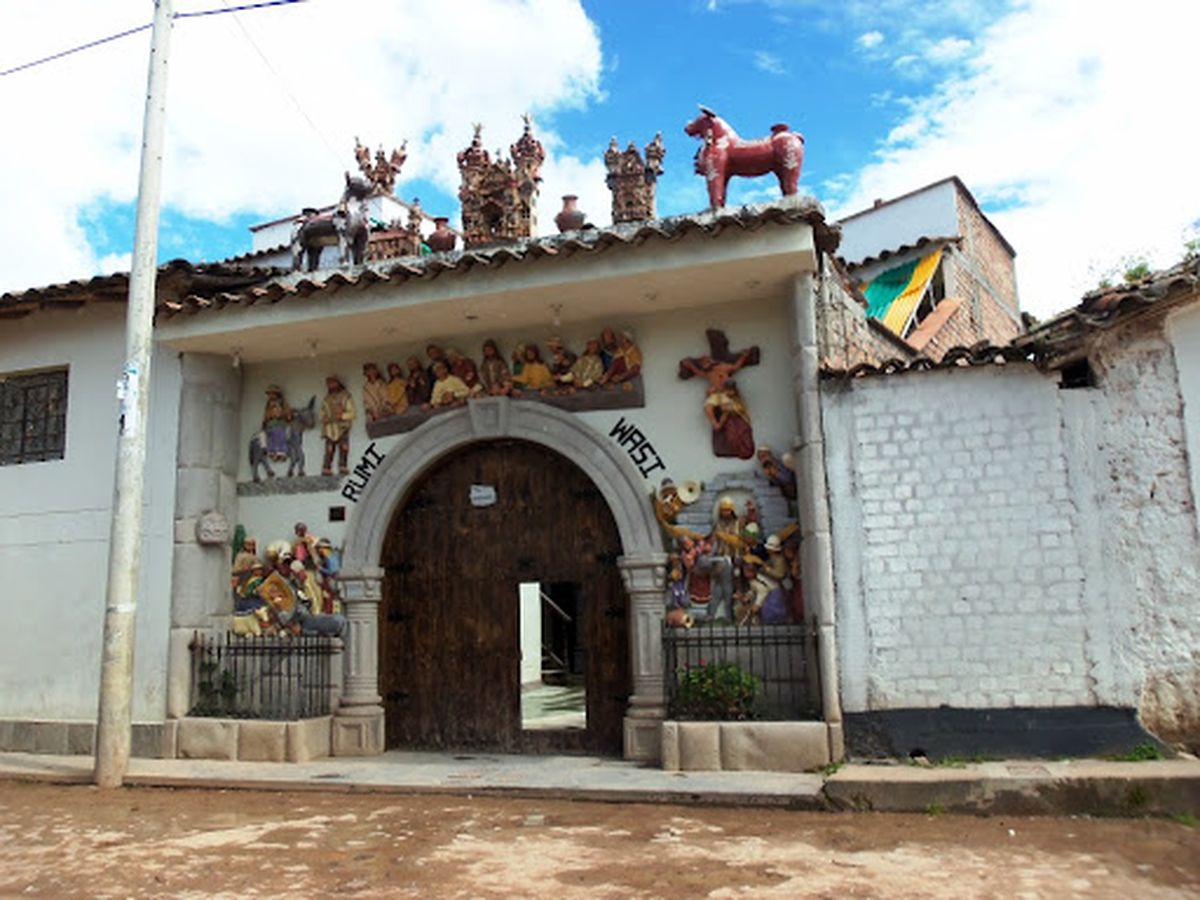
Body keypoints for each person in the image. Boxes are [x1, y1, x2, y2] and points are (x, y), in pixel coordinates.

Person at [320, 375, 356, 476]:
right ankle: (327, 467)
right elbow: (322, 413)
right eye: (329, 384)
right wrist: (324, 418)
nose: (331, 386)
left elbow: (352, 413)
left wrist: (342, 416)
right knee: (329, 449)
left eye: (333, 383)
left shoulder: (346, 397)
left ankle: (343, 466)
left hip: (342, 427)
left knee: (344, 447)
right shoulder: (326, 400)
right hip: (330, 429)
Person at [261, 385, 293, 461]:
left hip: (280, 424)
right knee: (267, 437)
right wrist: (265, 421)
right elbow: (266, 414)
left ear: (276, 394)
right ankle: (271, 452)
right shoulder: (268, 404)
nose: (270, 396)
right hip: (270, 424)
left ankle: (281, 453)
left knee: (279, 435)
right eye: (269, 394)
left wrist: (282, 414)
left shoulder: (282, 403)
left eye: (272, 394)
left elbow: (288, 414)